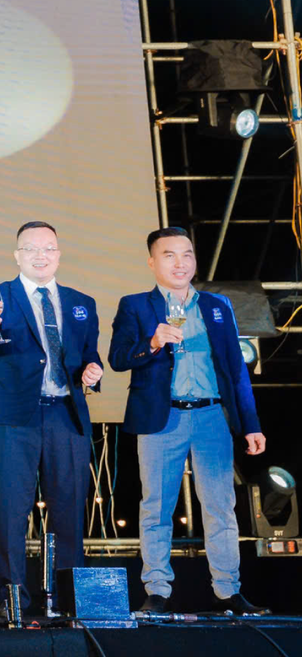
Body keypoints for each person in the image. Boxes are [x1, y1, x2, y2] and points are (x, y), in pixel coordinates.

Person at [109, 225, 266, 615]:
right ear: (152, 262)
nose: (180, 263)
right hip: (162, 419)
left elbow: (235, 368)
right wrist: (152, 342)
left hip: (212, 416)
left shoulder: (217, 305)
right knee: (156, 508)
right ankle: (157, 590)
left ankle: (228, 591)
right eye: (169, 255)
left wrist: (251, 424)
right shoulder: (135, 305)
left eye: (187, 255)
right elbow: (118, 358)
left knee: (220, 507)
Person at [0, 222, 103, 620]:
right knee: (10, 511)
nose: (40, 256)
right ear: (17, 256)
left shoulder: (81, 302)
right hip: (13, 418)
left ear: (58, 254)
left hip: (66, 414)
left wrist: (93, 372)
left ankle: (68, 601)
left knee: (69, 510)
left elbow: (89, 354)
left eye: (48, 249)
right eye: (31, 249)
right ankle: (12, 599)